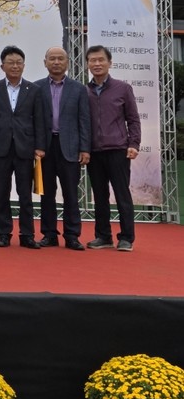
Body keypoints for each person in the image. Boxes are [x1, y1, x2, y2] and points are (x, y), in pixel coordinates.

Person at [0, 46, 46, 249]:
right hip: (0, 147)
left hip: (25, 148)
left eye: (18, 62)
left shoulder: (34, 90)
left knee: (25, 194)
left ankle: (27, 234)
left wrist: (40, 146)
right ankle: (3, 233)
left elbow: (40, 120)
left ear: (24, 65)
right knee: (1, 193)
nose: (15, 66)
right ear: (2, 66)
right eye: (10, 63)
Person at [34, 46, 91, 251]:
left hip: (70, 147)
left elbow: (84, 120)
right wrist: (36, 146)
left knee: (71, 194)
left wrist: (85, 148)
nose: (56, 62)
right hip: (45, 148)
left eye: (60, 59)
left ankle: (72, 235)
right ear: (45, 63)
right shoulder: (36, 87)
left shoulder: (79, 89)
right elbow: (33, 121)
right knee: (46, 194)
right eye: (52, 59)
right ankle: (49, 234)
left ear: (67, 62)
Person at [85, 45, 141, 252]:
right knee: (99, 196)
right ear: (87, 64)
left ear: (110, 63)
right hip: (94, 151)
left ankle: (126, 238)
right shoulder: (84, 91)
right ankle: (103, 236)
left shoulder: (123, 88)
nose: (97, 64)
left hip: (118, 149)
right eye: (92, 60)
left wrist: (134, 144)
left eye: (101, 60)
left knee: (122, 194)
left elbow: (133, 119)